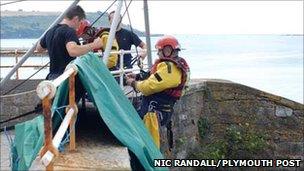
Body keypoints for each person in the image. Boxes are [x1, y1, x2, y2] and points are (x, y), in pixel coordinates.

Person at [125, 35, 190, 170]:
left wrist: (134, 84)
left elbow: (150, 86)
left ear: (168, 50)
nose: (159, 54)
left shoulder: (171, 68)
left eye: (160, 51)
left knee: (147, 146)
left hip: (153, 113)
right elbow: (153, 76)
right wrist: (138, 76)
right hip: (156, 111)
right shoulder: (170, 65)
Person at [36, 5, 103, 80]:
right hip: (66, 78)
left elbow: (39, 48)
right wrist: (94, 45)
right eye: (80, 22)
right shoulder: (69, 31)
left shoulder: (50, 31)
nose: (79, 26)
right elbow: (73, 51)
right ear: (76, 19)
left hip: (52, 77)